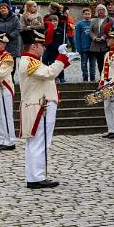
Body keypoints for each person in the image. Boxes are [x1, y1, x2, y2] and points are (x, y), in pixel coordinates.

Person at [18, 25, 70, 188]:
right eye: (42, 45)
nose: (44, 48)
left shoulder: (30, 61)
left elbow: (46, 72)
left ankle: (35, 175)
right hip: (40, 106)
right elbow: (49, 73)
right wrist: (61, 58)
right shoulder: (30, 62)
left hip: (39, 105)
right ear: (34, 46)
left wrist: (63, 61)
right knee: (40, 142)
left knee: (37, 143)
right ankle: (36, 177)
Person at [75, 7, 96, 82]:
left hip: (93, 48)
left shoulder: (93, 23)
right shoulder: (79, 24)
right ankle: (85, 78)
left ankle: (93, 78)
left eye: (89, 14)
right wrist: (78, 48)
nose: (87, 15)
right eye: (85, 14)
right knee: (84, 64)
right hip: (84, 48)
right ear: (83, 15)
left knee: (92, 64)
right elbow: (77, 37)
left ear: (91, 14)